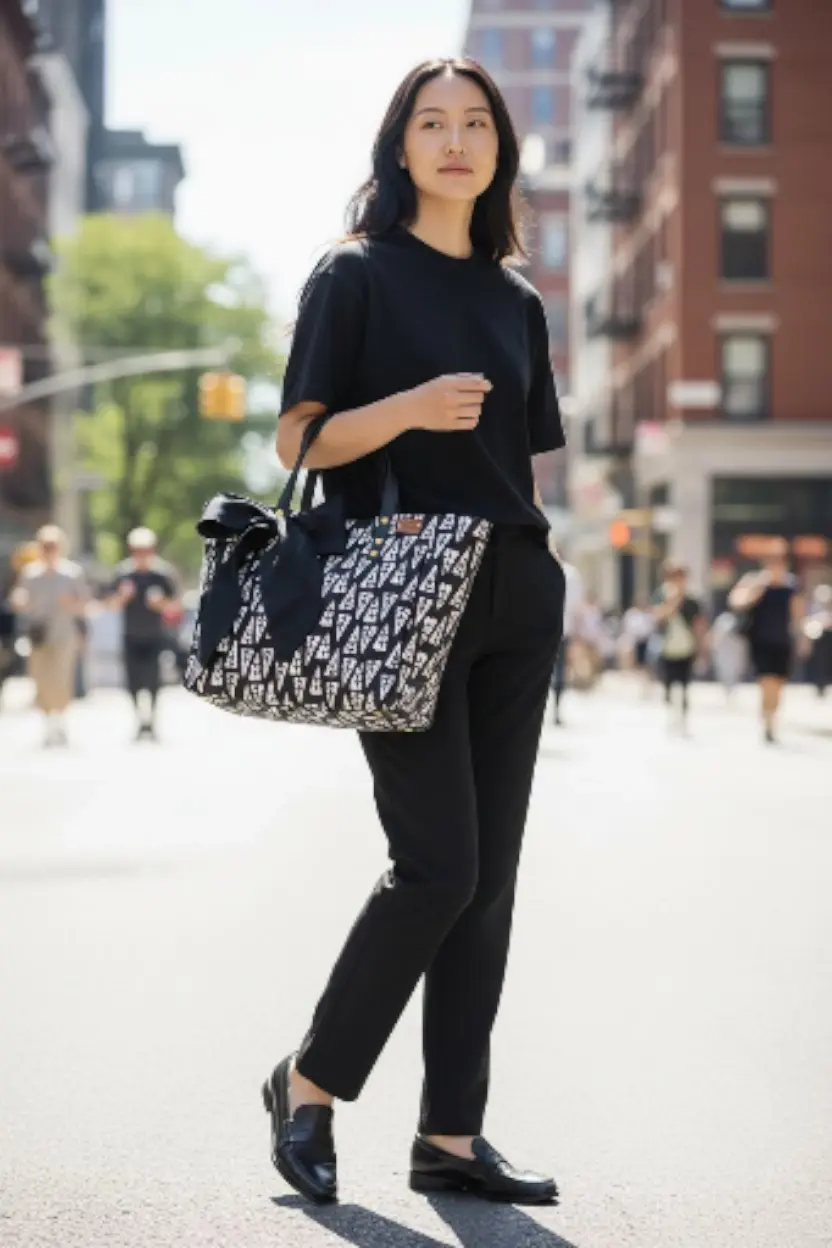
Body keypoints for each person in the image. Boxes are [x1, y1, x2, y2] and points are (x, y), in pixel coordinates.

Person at [260, 58, 565, 1207]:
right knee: (435, 866)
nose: (453, 141)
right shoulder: (354, 276)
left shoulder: (516, 298)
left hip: (516, 588)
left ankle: (450, 1135)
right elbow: (297, 441)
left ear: (498, 150)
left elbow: (513, 458)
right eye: (430, 123)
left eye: (474, 123)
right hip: (397, 586)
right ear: (399, 149)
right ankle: (310, 1083)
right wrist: (404, 410)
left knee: (488, 881)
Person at [9, 525, 88, 746]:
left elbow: (84, 604)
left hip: (64, 634)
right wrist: (20, 600)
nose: (48, 550)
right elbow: (20, 598)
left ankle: (60, 722)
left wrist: (71, 604)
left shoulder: (72, 573)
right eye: (45, 546)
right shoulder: (30, 573)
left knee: (62, 678)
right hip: (38, 635)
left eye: (52, 546)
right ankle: (47, 724)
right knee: (40, 679)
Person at [107, 527, 180, 741]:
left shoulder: (162, 573)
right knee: (132, 682)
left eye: (146, 549)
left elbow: (176, 605)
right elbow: (110, 604)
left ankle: (152, 722)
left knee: (154, 681)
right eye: (138, 549)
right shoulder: (123, 573)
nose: (142, 553)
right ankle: (139, 719)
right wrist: (123, 597)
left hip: (156, 636)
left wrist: (160, 604)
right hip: (130, 635)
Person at [729, 544, 805, 742]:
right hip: (760, 641)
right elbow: (736, 602)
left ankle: (772, 715)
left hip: (782, 641)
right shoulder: (754, 581)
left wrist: (802, 639)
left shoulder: (791, 586)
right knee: (766, 681)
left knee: (778, 684)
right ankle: (767, 722)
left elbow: (798, 615)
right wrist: (759, 587)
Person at [651, 561, 706, 733]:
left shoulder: (692, 601)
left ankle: (682, 716)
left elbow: (699, 626)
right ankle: (671, 714)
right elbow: (656, 618)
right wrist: (672, 602)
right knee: (668, 683)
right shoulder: (661, 597)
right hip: (666, 648)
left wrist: (702, 650)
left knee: (684, 684)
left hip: (686, 648)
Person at [550, 558, 584, 725]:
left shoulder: (560, 571)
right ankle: (556, 710)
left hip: (545, 631)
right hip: (564, 631)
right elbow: (578, 608)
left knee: (550, 672)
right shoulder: (571, 574)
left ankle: (553, 710)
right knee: (559, 672)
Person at [709, 609, 748, 702]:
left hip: (735, 650)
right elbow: (717, 634)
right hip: (724, 650)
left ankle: (732, 690)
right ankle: (727, 690)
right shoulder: (723, 619)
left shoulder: (740, 619)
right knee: (724, 671)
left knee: (735, 671)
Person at [621, 598, 655, 695]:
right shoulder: (631, 614)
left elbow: (650, 627)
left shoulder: (647, 614)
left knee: (645, 663)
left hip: (645, 640)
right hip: (634, 640)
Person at [804, 584, 832, 697]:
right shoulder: (813, 608)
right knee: (820, 664)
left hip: (829, 638)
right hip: (818, 639)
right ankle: (820, 684)